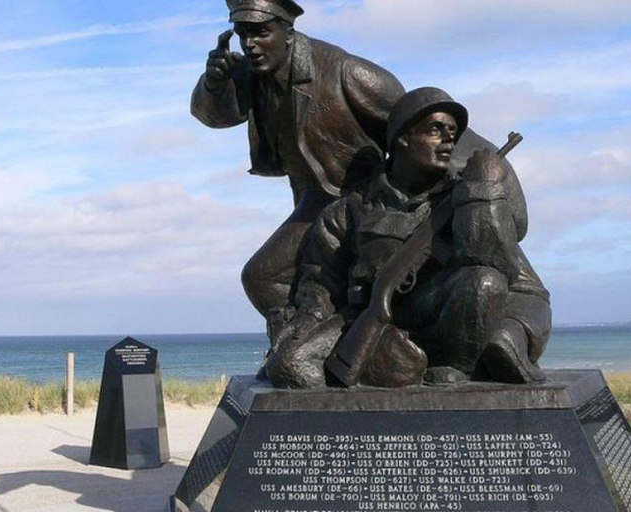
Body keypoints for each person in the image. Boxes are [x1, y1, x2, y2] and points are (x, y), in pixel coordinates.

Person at [265, 88, 552, 389]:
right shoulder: (350, 209)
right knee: (288, 367)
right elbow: (318, 281)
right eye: (435, 130)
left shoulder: (461, 197)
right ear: (403, 137)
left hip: (443, 320)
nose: (448, 141)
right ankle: (380, 370)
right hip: (366, 317)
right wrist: (308, 322)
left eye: (452, 133)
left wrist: (482, 191)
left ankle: (450, 367)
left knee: (484, 282)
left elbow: (494, 263)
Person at [190, 0, 405, 336]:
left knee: (261, 275)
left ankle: (313, 343)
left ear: (288, 31)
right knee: (269, 280)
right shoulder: (253, 74)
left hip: (362, 202)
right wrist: (213, 85)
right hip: (314, 201)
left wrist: (482, 167)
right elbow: (213, 117)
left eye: (261, 32)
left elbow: (420, 123)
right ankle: (301, 348)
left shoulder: (345, 72)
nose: (250, 44)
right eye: (243, 33)